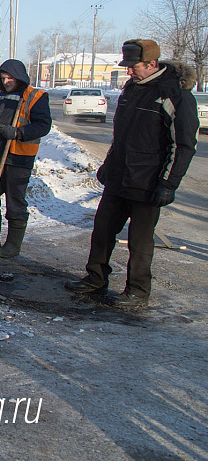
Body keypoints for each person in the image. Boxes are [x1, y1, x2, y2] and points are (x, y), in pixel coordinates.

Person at [65, 39, 197, 310]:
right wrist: (108, 165)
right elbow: (121, 137)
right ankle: (96, 278)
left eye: (133, 66)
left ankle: (137, 290)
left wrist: (168, 183)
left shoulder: (174, 94)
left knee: (140, 241)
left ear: (151, 64)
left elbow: (182, 145)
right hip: (119, 178)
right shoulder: (131, 89)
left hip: (148, 183)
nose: (128, 72)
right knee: (102, 230)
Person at [0, 59, 52, 258]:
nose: (7, 81)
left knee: (15, 203)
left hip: (18, 157)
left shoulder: (36, 96)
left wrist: (18, 133)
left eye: (10, 77)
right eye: (3, 78)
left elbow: (43, 125)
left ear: (20, 77)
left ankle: (12, 244)